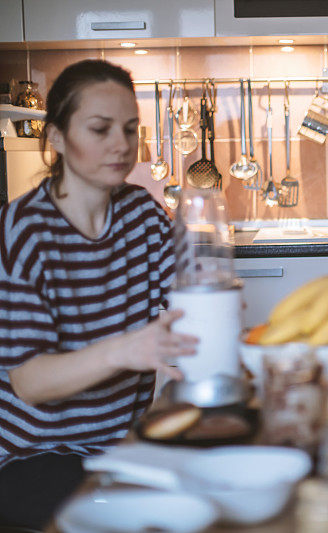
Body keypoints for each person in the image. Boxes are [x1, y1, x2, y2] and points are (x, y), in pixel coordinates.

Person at [0, 59, 197, 528]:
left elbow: (187, 308)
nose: (121, 145)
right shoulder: (23, 229)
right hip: (35, 455)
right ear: (57, 137)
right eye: (100, 129)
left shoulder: (143, 216)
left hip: (121, 447)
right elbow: (30, 382)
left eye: (130, 129)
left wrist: (212, 309)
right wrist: (129, 348)